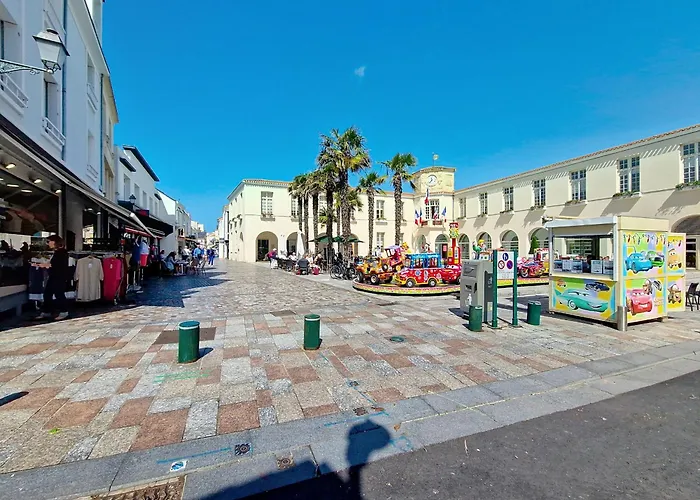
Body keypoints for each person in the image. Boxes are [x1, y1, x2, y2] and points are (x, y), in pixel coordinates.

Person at [36, 235, 69, 320]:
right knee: (47, 294)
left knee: (59, 294)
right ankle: (47, 312)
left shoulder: (62, 252)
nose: (48, 243)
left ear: (54, 242)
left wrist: (45, 265)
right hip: (53, 275)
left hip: (59, 276)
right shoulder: (57, 252)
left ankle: (64, 312)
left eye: (49, 241)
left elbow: (58, 265)